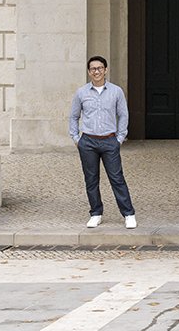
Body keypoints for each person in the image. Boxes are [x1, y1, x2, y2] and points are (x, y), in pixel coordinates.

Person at [68, 55, 136, 228]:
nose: (96, 71)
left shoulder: (116, 91)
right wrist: (76, 138)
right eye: (93, 69)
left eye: (99, 68)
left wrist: (120, 138)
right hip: (88, 142)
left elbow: (123, 115)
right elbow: (74, 116)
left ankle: (128, 213)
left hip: (109, 141)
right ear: (89, 72)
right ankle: (96, 212)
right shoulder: (81, 92)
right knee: (91, 179)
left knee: (117, 178)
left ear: (105, 70)